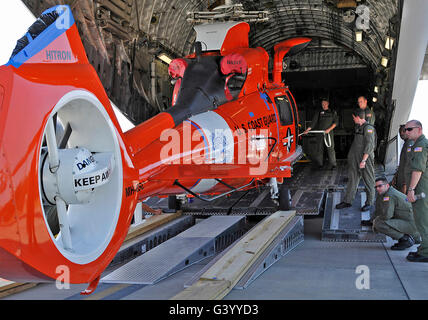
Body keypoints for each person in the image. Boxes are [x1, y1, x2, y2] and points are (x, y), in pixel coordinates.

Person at [336, 109, 376, 211]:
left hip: (365, 159)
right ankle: (348, 201)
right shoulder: (359, 127)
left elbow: (370, 146)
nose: (353, 119)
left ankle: (370, 202)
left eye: (354, 118)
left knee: (369, 180)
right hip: (355, 158)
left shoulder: (368, 128)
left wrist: (363, 160)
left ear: (358, 117)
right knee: (352, 179)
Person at [371, 177, 420, 250]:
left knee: (379, 223)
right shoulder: (389, 192)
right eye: (376, 187)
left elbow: (387, 216)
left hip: (412, 225)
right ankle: (414, 237)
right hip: (415, 223)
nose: (377, 188)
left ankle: (405, 240)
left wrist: (375, 222)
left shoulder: (389, 195)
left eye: (380, 186)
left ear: (387, 185)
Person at [404, 120, 428, 262]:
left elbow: (418, 170)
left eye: (409, 129)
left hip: (421, 188)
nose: (406, 132)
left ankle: (426, 253)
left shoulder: (421, 146)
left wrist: (411, 189)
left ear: (419, 129)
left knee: (423, 219)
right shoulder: (415, 144)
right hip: (419, 187)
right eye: (405, 129)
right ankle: (423, 248)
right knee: (420, 219)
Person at [303, 98, 338, 169]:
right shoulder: (319, 112)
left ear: (328, 104)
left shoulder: (332, 112)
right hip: (320, 133)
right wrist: (307, 130)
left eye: (325, 104)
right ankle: (319, 164)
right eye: (322, 104)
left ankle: (333, 164)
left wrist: (329, 129)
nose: (324, 105)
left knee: (330, 148)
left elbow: (335, 123)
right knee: (319, 148)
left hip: (329, 133)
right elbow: (314, 122)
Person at [391, 125, 414, 194]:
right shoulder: (406, 143)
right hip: (401, 177)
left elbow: (409, 164)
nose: (401, 133)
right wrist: (396, 176)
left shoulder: (410, 144)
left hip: (404, 180)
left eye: (403, 131)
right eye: (400, 131)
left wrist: (405, 183)